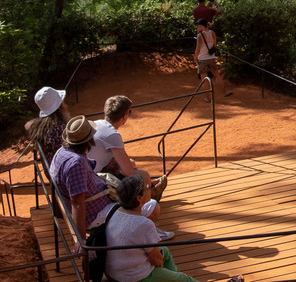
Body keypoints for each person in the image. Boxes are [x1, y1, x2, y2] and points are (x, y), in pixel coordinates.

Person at [97, 172, 231, 282]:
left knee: (164, 251)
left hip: (112, 271)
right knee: (184, 279)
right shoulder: (144, 223)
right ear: (139, 198)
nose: (151, 189)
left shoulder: (114, 211)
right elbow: (155, 259)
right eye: (147, 188)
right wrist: (161, 273)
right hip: (133, 277)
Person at [51, 116, 110, 233]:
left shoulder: (62, 151)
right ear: (89, 140)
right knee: (148, 208)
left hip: (95, 196)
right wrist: (81, 240)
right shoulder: (76, 163)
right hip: (94, 214)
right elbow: (77, 203)